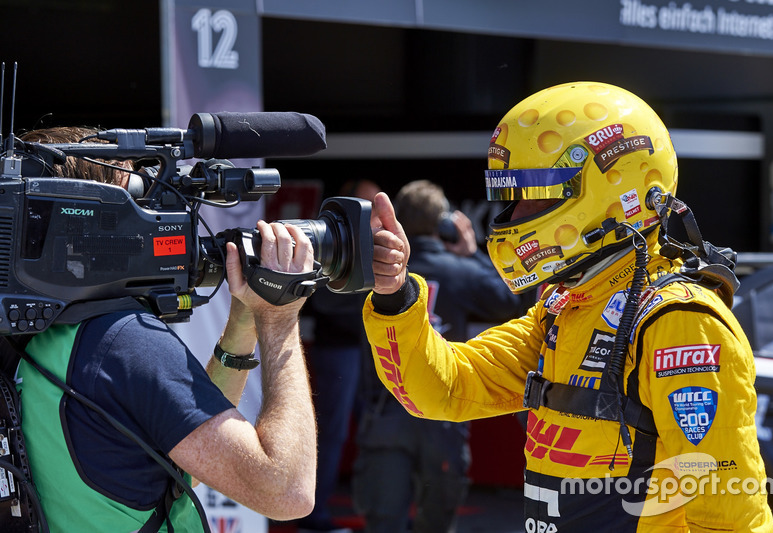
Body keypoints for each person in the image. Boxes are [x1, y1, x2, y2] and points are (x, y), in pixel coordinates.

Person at [364, 83, 773, 532]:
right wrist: (396, 295)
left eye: (538, 192)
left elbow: (728, 517)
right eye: (512, 197)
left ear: (616, 193)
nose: (516, 215)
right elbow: (443, 389)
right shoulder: (564, 307)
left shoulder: (679, 322)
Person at [9, 127, 317, 531]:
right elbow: (287, 491)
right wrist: (280, 320)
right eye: (138, 202)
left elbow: (197, 456)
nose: (153, 220)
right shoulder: (123, 344)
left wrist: (243, 322)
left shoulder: (29, 330)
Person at [353, 180, 534, 533]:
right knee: (436, 520)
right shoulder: (462, 271)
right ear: (444, 224)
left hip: (385, 411)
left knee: (382, 520)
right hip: (443, 414)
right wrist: (473, 255)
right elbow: (515, 300)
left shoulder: (372, 271)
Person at [296, 178, 381, 533]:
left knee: (375, 431)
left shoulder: (382, 247)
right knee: (329, 433)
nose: (372, 217)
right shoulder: (329, 242)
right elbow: (323, 301)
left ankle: (375, 510)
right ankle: (311, 515)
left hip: (370, 354)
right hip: (339, 351)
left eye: (375, 208)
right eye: (364, 207)